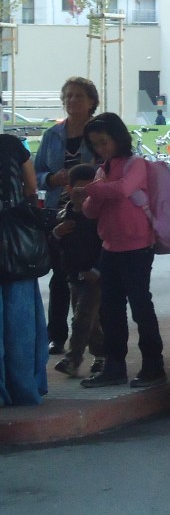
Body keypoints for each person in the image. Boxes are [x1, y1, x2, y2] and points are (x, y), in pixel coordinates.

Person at [79, 112, 167, 390]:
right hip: (110, 248)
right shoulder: (103, 171)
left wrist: (93, 189)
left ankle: (154, 365)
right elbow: (90, 211)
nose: (100, 149)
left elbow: (122, 189)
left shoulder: (135, 164)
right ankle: (114, 366)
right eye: (95, 145)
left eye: (104, 142)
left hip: (137, 247)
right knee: (110, 309)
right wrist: (95, 192)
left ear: (118, 138)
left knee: (141, 307)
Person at [34, 77, 98, 355]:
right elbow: (36, 174)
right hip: (56, 213)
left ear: (91, 102)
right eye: (68, 96)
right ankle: (56, 337)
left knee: (90, 276)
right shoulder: (52, 135)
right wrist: (52, 178)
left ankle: (94, 342)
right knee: (60, 276)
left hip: (91, 213)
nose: (72, 101)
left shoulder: (98, 133)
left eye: (79, 96)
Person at [0, 130, 49, 405]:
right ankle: (24, 387)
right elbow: (32, 188)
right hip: (16, 240)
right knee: (21, 319)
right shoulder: (12, 145)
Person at [50, 163, 105, 378]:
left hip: (94, 276)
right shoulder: (65, 215)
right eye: (78, 191)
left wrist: (96, 270)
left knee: (82, 317)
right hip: (74, 275)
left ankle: (73, 359)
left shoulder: (98, 217)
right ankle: (102, 355)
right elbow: (58, 246)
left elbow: (106, 244)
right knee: (88, 319)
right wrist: (57, 233)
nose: (82, 196)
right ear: (69, 189)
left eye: (88, 191)